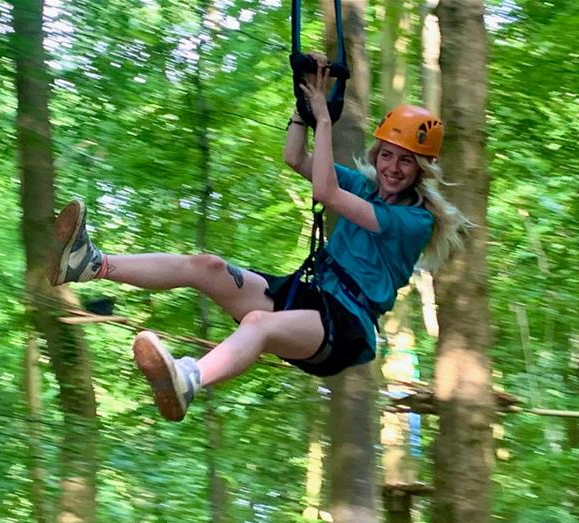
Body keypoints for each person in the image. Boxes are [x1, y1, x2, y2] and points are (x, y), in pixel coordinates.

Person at [48, 64, 469, 422]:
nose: (393, 167)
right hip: (308, 295)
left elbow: (326, 192)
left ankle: (189, 378)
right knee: (206, 266)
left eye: (406, 160)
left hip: (345, 325)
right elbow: (296, 159)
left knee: (258, 325)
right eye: (387, 155)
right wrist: (303, 108)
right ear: (377, 154)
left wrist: (325, 120)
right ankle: (91, 263)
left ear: (422, 169)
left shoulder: (414, 220)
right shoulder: (366, 185)